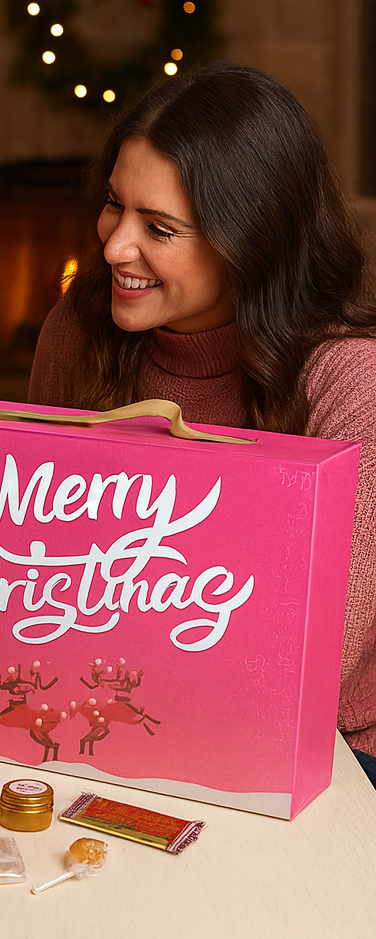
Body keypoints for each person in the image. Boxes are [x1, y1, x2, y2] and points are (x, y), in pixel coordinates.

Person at [28, 63, 376, 767]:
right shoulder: (79, 328)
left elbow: (306, 668)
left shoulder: (353, 383)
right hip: (108, 712)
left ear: (248, 241)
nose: (114, 245)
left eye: (158, 227)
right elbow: (31, 566)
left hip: (325, 746)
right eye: (113, 203)